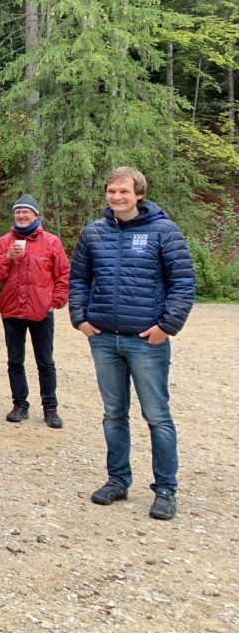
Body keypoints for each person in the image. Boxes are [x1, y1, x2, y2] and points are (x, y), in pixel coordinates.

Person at [69, 167, 195, 521]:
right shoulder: (94, 232)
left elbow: (183, 283)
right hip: (104, 339)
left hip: (146, 340)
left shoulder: (163, 231)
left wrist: (166, 326)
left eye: (124, 191)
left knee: (157, 416)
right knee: (113, 414)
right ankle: (118, 480)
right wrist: (80, 317)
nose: (117, 197)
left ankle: (166, 489)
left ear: (139, 193)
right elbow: (78, 278)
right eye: (111, 191)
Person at [0, 193, 70, 428]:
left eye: (26, 211)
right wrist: (8, 257)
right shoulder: (3, 242)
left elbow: (63, 274)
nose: (21, 215)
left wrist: (57, 300)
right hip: (11, 309)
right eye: (17, 212)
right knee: (15, 360)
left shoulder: (51, 242)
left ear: (36, 215)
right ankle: (20, 405)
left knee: (45, 361)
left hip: (41, 311)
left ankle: (50, 409)